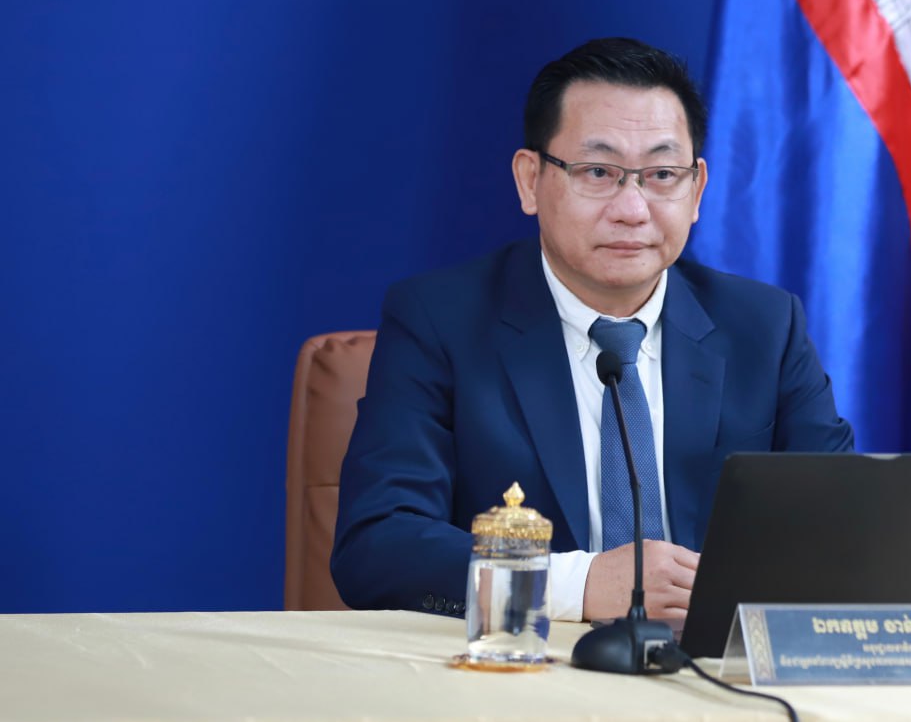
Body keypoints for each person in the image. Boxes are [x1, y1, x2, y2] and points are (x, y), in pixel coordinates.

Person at [331, 37, 853, 622]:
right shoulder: (438, 321)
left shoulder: (766, 326)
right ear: (530, 180)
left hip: (711, 668)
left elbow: (844, 529)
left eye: (662, 174)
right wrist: (574, 586)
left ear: (697, 190)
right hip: (525, 668)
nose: (632, 209)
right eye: (598, 172)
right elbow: (378, 545)